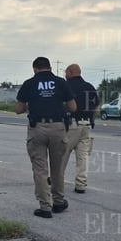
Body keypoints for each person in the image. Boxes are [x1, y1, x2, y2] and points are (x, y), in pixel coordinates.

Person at [16, 57, 76, 219]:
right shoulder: (61, 83)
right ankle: (58, 201)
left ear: (34, 69)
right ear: (50, 68)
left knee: (40, 169)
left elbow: (18, 109)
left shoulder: (29, 84)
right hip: (58, 127)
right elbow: (73, 107)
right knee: (57, 168)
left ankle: (45, 206)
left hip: (37, 128)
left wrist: (34, 103)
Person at [61, 64, 99, 194]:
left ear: (71, 72)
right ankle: (81, 184)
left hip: (71, 124)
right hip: (86, 125)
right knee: (83, 156)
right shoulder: (89, 87)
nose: (65, 75)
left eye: (66, 73)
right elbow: (96, 105)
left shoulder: (67, 86)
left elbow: (64, 105)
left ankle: (57, 180)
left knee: (62, 154)